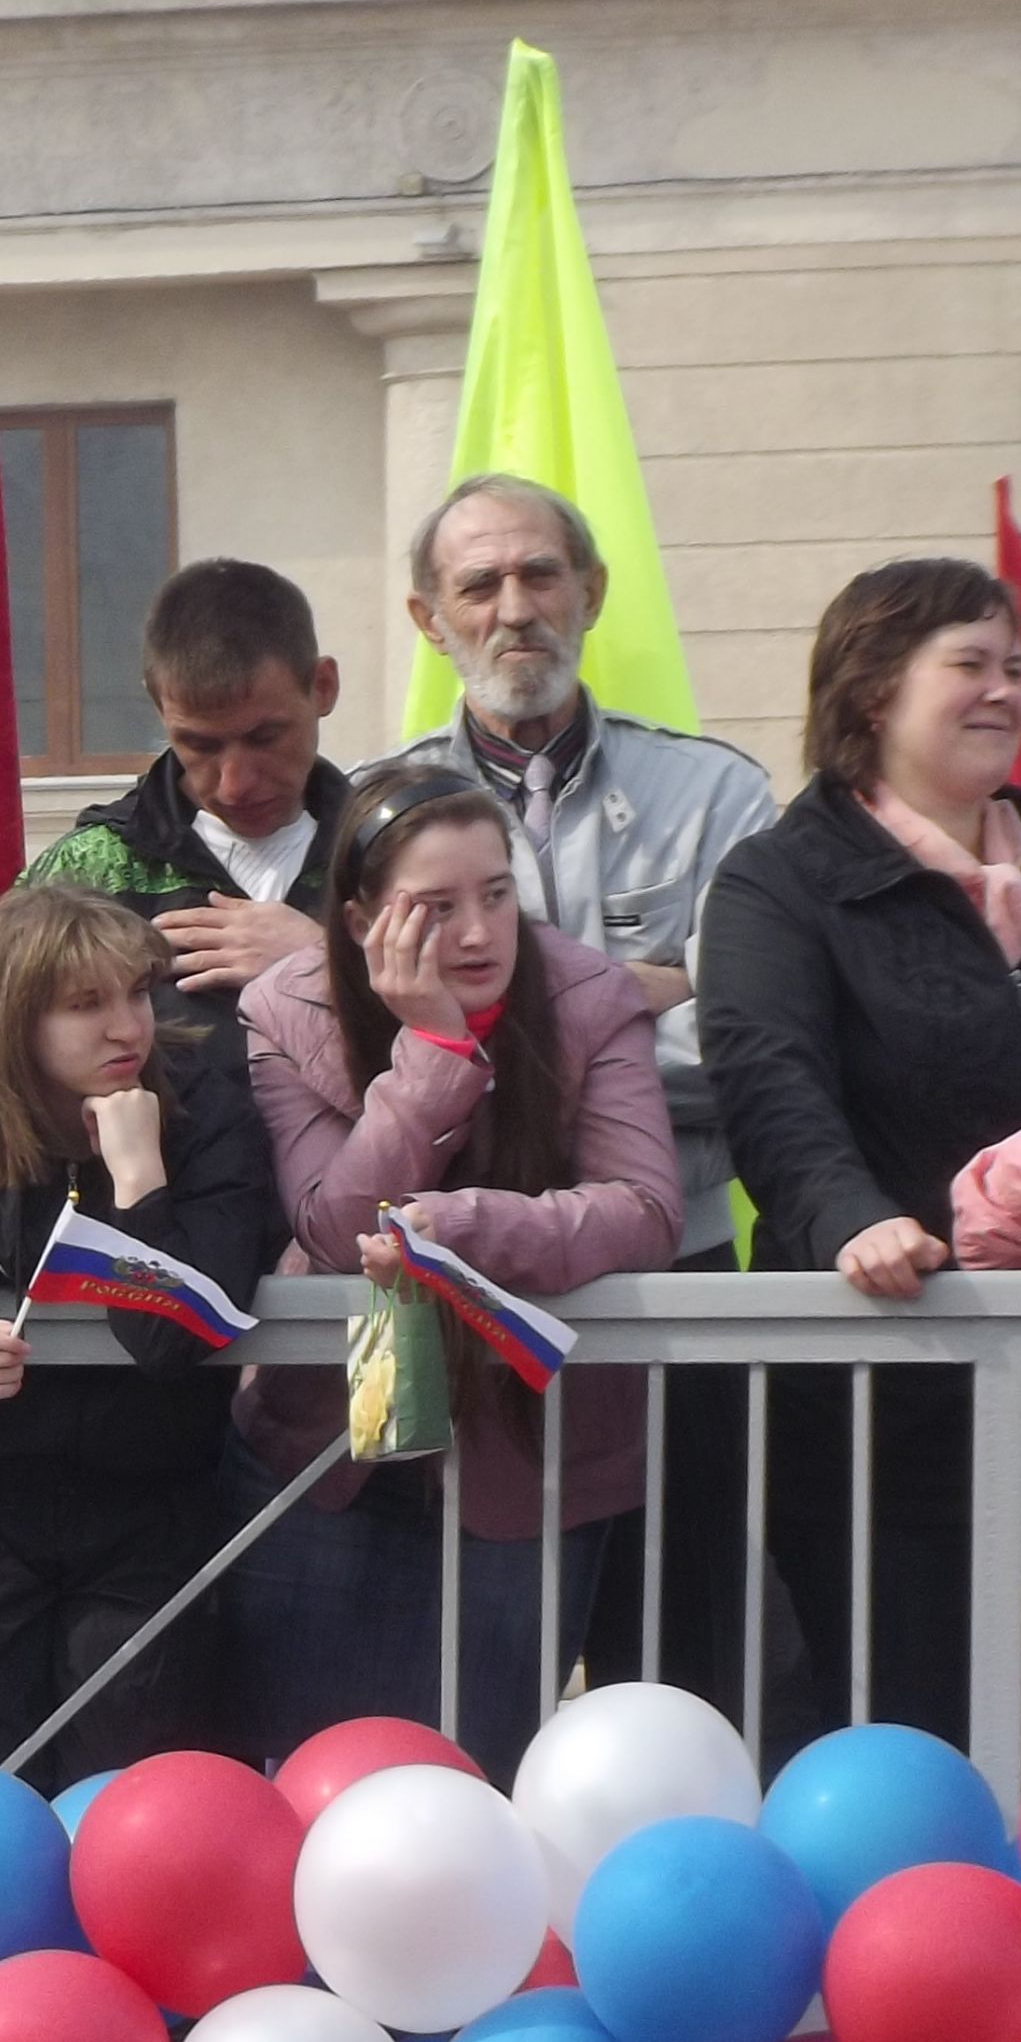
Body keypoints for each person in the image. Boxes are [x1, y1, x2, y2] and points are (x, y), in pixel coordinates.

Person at [376, 474, 777, 1716]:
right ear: (426, 617)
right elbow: (354, 1052)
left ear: (590, 592)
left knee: (686, 1676)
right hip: (427, 1291)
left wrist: (492, 1045)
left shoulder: (716, 797)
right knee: (437, 1685)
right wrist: (633, 1000)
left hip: (669, 1284)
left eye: (540, 575)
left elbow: (752, 1045)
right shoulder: (371, 807)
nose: (515, 609)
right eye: (478, 585)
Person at [227, 760, 683, 1778]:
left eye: (495, 894)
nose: (478, 934)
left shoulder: (587, 996)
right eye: (435, 907)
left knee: (471, 1788)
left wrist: (461, 1226)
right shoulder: (284, 1008)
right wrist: (431, 1050)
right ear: (358, 923)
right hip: (330, 1450)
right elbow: (338, 1224)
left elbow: (645, 1208)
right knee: (306, 1786)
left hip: (527, 1458)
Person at [699, 557, 1021, 1753]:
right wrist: (848, 1217)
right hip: (891, 1403)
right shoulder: (781, 883)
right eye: (970, 666)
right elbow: (764, 1077)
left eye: (1014, 667)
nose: (1002, 692)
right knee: (913, 1736)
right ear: (875, 691)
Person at [0, 886, 277, 1784]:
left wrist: (139, 1179)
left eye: (136, 994)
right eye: (87, 1005)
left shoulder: (205, 1110)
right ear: (17, 1023)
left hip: (149, 1510)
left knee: (122, 1784)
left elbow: (170, 1341)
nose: (128, 1027)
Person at [20, 560, 349, 1024]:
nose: (236, 783)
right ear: (159, 707)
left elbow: (473, 1040)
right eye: (200, 745)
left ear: (323, 687)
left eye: (265, 738)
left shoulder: (390, 858)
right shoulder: (86, 874)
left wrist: (326, 966)